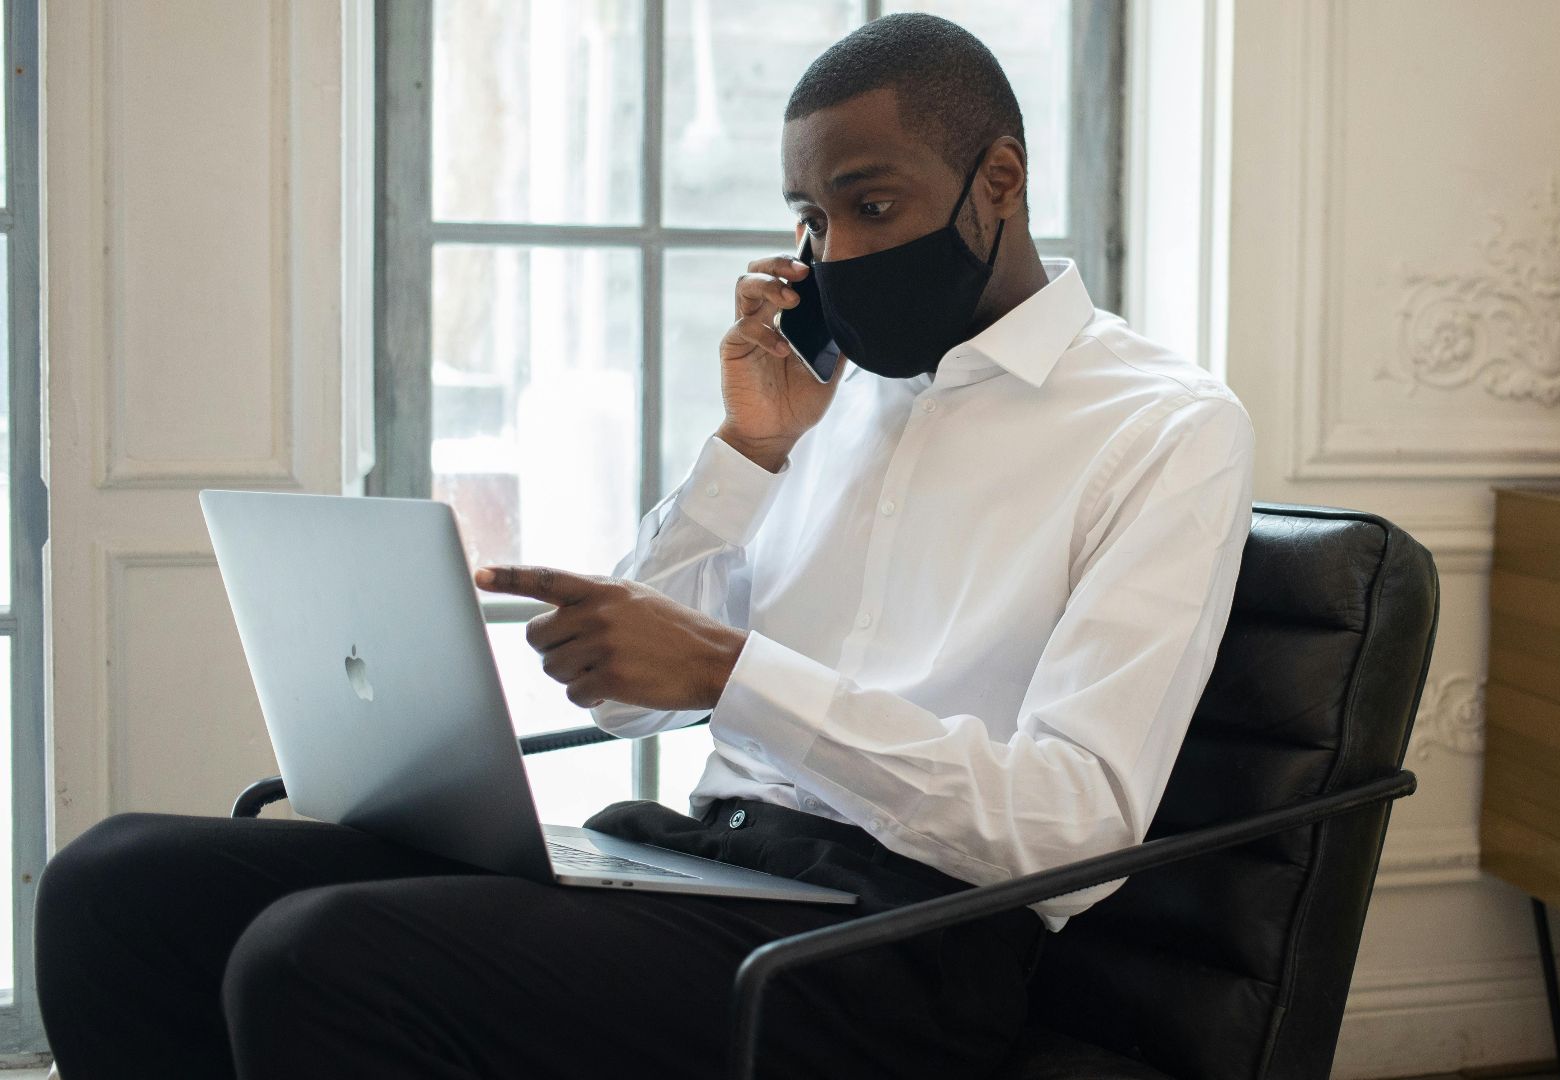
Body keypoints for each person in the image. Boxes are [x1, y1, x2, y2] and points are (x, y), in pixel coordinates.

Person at [33, 13, 1253, 1080]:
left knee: (323, 958)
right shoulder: (833, 394)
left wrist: (736, 677)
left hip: (893, 947)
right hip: (697, 867)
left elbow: (1078, 827)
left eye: (872, 204)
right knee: (121, 883)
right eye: (812, 220)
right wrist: (748, 454)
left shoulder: (1163, 426)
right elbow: (625, 713)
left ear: (999, 181)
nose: (839, 254)